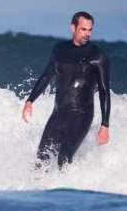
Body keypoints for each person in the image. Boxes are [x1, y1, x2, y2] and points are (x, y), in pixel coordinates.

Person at [22, 11, 111, 169]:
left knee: (64, 158)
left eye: (90, 30)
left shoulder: (97, 56)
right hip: (58, 114)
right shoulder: (59, 50)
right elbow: (45, 77)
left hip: (81, 115)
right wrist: (30, 101)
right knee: (41, 162)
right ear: (73, 27)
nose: (87, 34)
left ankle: (67, 192)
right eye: (83, 29)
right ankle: (41, 192)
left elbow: (104, 91)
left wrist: (105, 125)